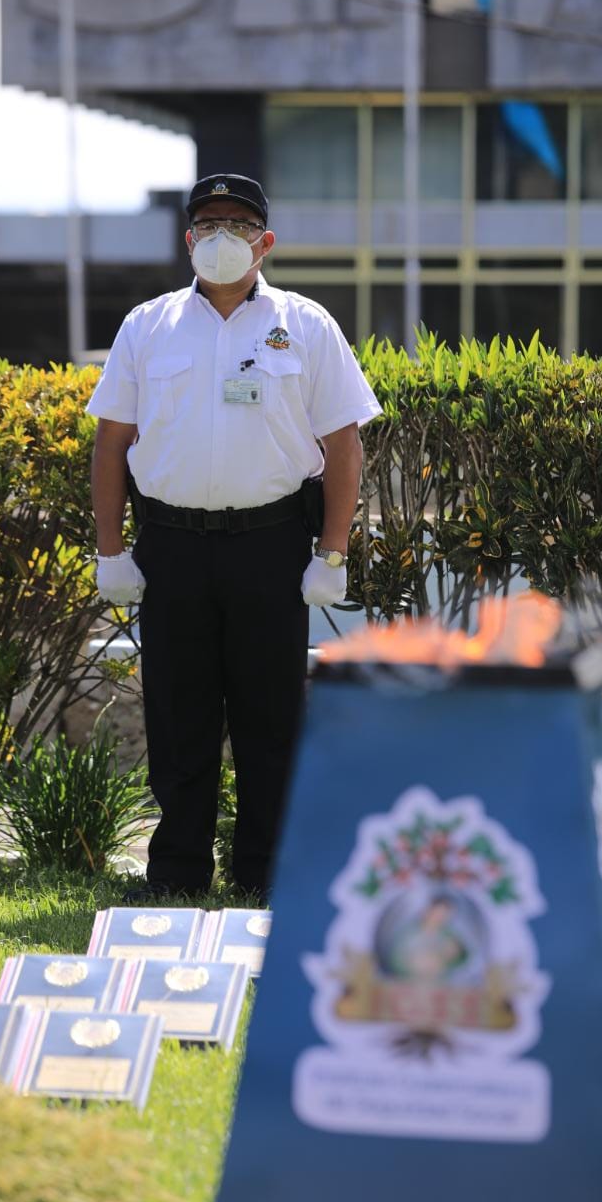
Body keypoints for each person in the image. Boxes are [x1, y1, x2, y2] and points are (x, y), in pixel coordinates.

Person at [87, 172, 381, 903]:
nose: (223, 236)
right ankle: (176, 872)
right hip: (173, 546)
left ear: (265, 241)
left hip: (269, 545)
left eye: (239, 224)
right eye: (209, 223)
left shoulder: (306, 324)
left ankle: (264, 870)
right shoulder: (147, 325)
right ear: (188, 238)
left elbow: (343, 444)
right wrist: (111, 551)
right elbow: (111, 442)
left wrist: (333, 552)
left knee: (270, 718)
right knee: (177, 716)